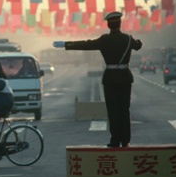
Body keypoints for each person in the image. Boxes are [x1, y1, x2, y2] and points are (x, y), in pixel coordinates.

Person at [54, 11, 143, 148]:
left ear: (108, 25)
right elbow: (138, 45)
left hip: (110, 78)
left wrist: (67, 44)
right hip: (125, 77)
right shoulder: (128, 39)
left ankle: (115, 140)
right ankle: (125, 140)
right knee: (124, 109)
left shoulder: (104, 40)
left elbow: (86, 44)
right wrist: (138, 42)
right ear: (120, 24)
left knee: (112, 110)